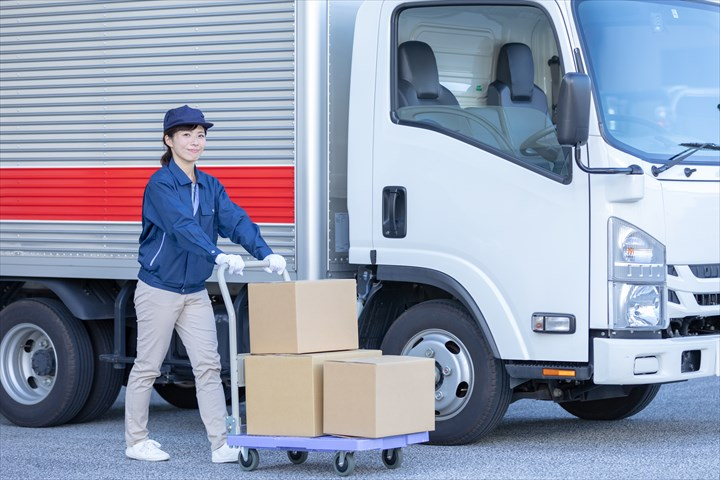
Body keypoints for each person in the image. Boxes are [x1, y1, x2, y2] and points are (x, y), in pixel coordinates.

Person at [124, 105, 286, 463]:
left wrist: (265, 252)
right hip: (159, 289)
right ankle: (136, 441)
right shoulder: (161, 185)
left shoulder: (210, 185)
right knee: (148, 365)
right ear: (169, 140)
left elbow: (235, 220)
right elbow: (182, 227)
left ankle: (221, 444)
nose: (195, 141)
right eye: (186, 135)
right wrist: (216, 255)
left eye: (200, 135)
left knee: (208, 366)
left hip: (194, 291)